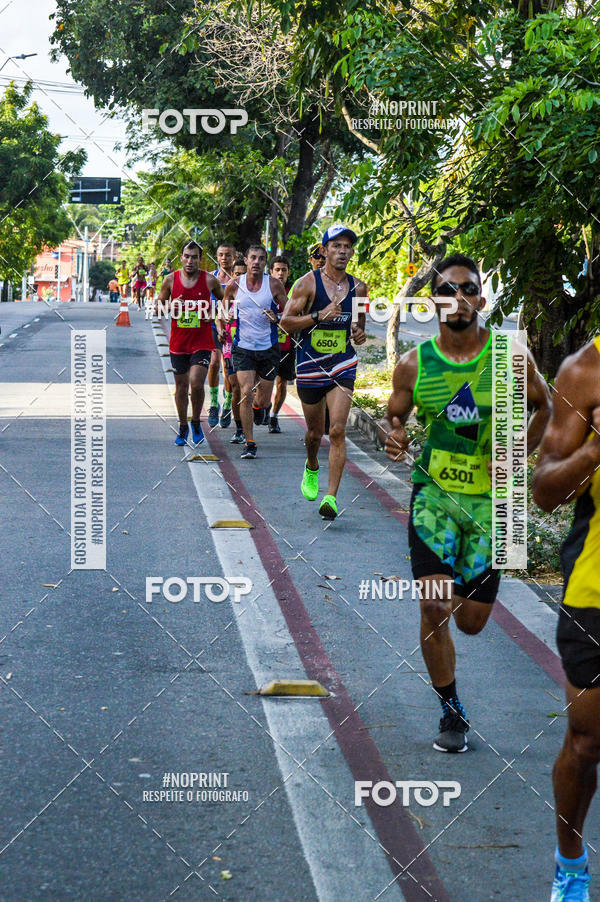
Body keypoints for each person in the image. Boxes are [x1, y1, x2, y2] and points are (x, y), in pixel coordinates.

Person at [381, 252, 551, 753]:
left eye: (467, 289)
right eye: (446, 290)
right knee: (433, 605)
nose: (457, 298)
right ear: (432, 301)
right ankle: (451, 713)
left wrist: (518, 453)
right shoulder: (414, 364)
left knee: (471, 622)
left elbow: (543, 406)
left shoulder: (510, 356)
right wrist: (397, 436)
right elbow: (397, 418)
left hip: (494, 506)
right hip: (432, 499)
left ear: (480, 298)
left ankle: (457, 597)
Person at [532, 338, 600, 902]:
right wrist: (595, 449)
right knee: (586, 742)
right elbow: (545, 491)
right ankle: (570, 863)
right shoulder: (586, 370)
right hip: (596, 589)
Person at [280, 225, 367, 520]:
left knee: (338, 430)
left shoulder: (359, 287)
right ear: (325, 250)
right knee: (315, 434)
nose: (343, 251)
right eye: (337, 246)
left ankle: (330, 497)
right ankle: (312, 464)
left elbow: (360, 325)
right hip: (309, 365)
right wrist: (318, 315)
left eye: (347, 246)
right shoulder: (306, 284)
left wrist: (357, 332)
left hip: (342, 364)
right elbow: (285, 323)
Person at [220, 245, 287, 459]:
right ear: (246, 261)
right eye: (253, 258)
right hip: (243, 347)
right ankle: (250, 442)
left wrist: (277, 318)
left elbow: (290, 313)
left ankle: (261, 408)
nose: (256, 262)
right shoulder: (234, 285)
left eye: (260, 258)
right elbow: (222, 311)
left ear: (265, 262)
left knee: (264, 400)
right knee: (246, 392)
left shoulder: (274, 285)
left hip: (268, 348)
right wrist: (225, 322)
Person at [156, 240, 224, 446]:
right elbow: (158, 309)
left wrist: (212, 314)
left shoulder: (210, 281)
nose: (190, 261)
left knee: (196, 383)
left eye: (195, 257)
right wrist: (169, 305)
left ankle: (196, 421)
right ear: (181, 258)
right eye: (187, 256)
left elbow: (225, 303)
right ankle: (183, 425)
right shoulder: (170, 280)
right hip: (179, 344)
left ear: (200, 260)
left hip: (202, 343)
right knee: (181, 386)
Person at [208, 243, 236, 428]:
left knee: (228, 369)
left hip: (232, 330)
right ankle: (213, 403)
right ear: (216, 257)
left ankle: (227, 404)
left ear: (234, 257)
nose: (224, 258)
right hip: (211, 327)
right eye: (220, 255)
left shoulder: (240, 279)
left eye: (227, 255)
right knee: (213, 363)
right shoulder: (210, 278)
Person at [268, 255, 294, 434]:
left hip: (287, 345)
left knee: (281, 383)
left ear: (288, 272)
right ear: (270, 272)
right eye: (277, 269)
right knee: (261, 383)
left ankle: (274, 416)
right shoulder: (263, 290)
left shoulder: (294, 291)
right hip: (264, 345)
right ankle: (261, 406)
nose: (280, 273)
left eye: (283, 270)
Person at [222, 258, 246, 444]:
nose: (240, 277)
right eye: (237, 273)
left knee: (251, 390)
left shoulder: (260, 293)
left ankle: (259, 408)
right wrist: (222, 328)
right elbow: (219, 316)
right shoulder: (230, 290)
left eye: (243, 273)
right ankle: (239, 429)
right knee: (236, 387)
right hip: (231, 347)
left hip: (254, 348)